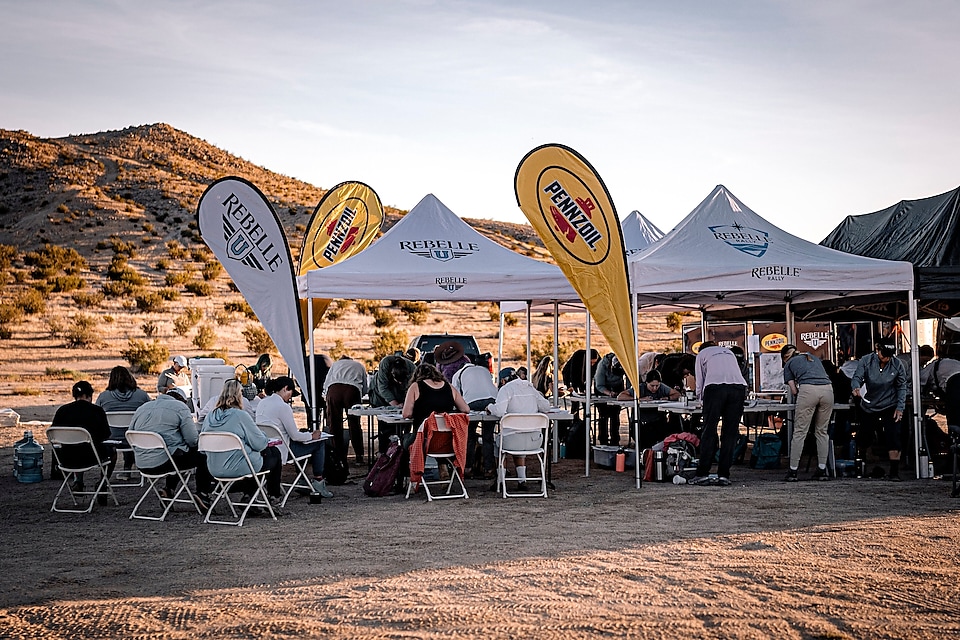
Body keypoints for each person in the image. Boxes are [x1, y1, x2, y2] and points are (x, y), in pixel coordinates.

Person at [202, 379, 283, 508]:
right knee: (273, 454)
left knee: (254, 459)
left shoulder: (210, 416)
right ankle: (273, 496)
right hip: (238, 467)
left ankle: (250, 497)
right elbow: (260, 444)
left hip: (214, 467)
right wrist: (262, 436)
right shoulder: (240, 415)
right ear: (238, 395)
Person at [128, 388, 213, 509]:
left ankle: (169, 490)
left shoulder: (143, 408)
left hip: (142, 463)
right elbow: (192, 440)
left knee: (177, 453)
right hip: (164, 462)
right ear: (181, 400)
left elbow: (130, 433)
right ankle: (202, 493)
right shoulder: (180, 407)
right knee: (203, 454)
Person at [257, 376, 333, 499]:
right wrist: (312, 436)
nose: (290, 398)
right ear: (286, 389)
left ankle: (302, 479)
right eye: (291, 394)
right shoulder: (283, 407)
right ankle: (318, 480)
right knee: (319, 442)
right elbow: (295, 436)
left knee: (304, 439)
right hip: (283, 450)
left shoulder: (263, 402)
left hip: (266, 449)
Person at [690, 342, 748, 486]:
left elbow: (700, 381)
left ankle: (702, 473)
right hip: (738, 388)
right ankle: (724, 474)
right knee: (730, 433)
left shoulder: (702, 354)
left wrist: (700, 399)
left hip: (714, 388)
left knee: (709, 430)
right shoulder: (729, 353)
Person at [487, 367, 552, 491]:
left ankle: (500, 480)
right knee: (521, 436)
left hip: (512, 440)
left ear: (502, 381)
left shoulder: (506, 389)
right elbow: (546, 407)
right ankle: (522, 480)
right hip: (535, 442)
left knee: (501, 443)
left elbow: (500, 411)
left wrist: (490, 407)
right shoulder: (530, 388)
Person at [852, 340, 908, 480]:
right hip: (869, 403)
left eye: (890, 355)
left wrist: (900, 408)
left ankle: (894, 472)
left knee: (894, 434)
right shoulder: (866, 360)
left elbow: (902, 386)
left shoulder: (897, 364)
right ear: (877, 350)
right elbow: (857, 377)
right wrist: (856, 387)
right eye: (884, 355)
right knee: (865, 434)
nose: (887, 358)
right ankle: (861, 463)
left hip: (890, 403)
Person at [51, 380, 117, 495]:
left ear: (74, 395)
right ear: (90, 395)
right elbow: (106, 434)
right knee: (112, 451)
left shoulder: (62, 411)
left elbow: (53, 435)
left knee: (76, 445)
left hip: (67, 457)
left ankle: (78, 482)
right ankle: (102, 483)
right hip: (91, 457)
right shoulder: (96, 411)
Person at [781, 344, 834, 482]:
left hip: (808, 390)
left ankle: (793, 471)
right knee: (822, 432)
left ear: (785, 357)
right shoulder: (813, 357)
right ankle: (822, 470)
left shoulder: (789, 364)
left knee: (800, 432)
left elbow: (793, 390)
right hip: (828, 391)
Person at [96, 365, 151, 480]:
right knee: (130, 430)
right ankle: (127, 470)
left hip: (111, 438)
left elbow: (97, 416)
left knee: (122, 431)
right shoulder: (141, 395)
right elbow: (150, 413)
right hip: (135, 438)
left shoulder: (104, 397)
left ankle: (108, 475)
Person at [451, 360, 499, 479]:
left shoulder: (458, 374)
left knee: (470, 436)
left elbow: (456, 396)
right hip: (492, 400)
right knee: (488, 437)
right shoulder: (484, 370)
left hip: (472, 402)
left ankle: (468, 468)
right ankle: (489, 469)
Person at [323, 355, 368, 465]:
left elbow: (327, 382)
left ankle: (338, 456)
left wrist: (325, 395)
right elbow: (365, 386)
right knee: (354, 424)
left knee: (334, 423)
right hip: (352, 390)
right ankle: (359, 456)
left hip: (334, 390)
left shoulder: (335, 364)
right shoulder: (359, 365)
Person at [369, 352, 417, 453]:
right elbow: (383, 388)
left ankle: (402, 451)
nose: (400, 383)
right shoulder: (385, 364)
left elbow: (413, 388)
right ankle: (384, 453)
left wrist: (407, 403)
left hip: (401, 395)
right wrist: (395, 405)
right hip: (380, 396)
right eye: (397, 380)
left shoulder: (413, 369)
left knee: (405, 422)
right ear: (391, 373)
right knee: (385, 426)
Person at [618, 369, 680, 447]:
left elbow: (677, 394)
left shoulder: (662, 387)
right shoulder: (640, 388)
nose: (654, 388)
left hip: (657, 423)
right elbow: (621, 396)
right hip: (642, 424)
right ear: (647, 383)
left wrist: (668, 398)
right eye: (652, 386)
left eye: (657, 386)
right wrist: (638, 399)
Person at [402, 363, 471, 431]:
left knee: (405, 439)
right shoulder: (449, 387)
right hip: (447, 436)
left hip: (423, 435)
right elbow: (465, 409)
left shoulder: (415, 386)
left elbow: (406, 414)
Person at [594, 353, 629, 446]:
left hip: (618, 387)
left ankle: (615, 440)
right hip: (603, 389)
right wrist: (609, 393)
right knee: (603, 416)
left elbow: (629, 381)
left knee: (615, 416)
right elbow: (599, 385)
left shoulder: (626, 363)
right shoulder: (602, 365)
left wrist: (627, 393)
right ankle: (603, 440)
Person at [561, 348, 600, 420]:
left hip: (584, 378)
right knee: (575, 402)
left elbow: (595, 376)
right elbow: (573, 373)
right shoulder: (579, 355)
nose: (592, 365)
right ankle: (575, 420)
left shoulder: (598, 360)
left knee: (586, 403)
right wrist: (574, 388)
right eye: (591, 362)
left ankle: (586, 421)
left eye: (594, 363)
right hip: (571, 376)